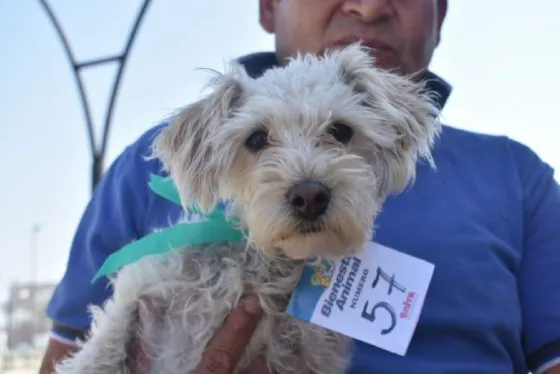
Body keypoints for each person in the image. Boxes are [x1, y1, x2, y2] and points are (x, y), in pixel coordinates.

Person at [39, 1, 560, 373]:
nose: (369, 5)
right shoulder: (146, 167)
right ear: (268, 7)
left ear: (441, 13)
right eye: (259, 141)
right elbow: (67, 358)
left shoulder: (520, 178)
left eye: (340, 132)